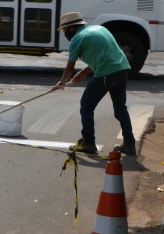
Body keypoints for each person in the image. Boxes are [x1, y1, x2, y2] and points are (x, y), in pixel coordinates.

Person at [52, 12, 136, 155]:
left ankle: (89, 143)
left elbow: (69, 69)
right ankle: (129, 144)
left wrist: (61, 83)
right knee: (120, 108)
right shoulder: (100, 29)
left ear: (71, 27)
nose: (65, 34)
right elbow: (104, 56)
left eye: (65, 30)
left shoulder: (77, 39)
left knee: (86, 107)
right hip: (122, 70)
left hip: (106, 74)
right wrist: (83, 73)